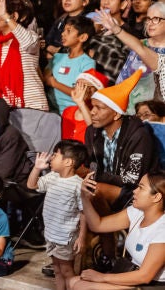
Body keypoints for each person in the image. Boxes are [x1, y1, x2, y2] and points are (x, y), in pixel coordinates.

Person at [71, 172, 165, 289]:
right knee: (73, 281)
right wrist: (83, 196)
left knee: (81, 286)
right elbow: (97, 225)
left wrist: (102, 277)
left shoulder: (162, 229)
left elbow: (144, 276)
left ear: (156, 197)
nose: (134, 191)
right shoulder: (137, 212)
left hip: (153, 285)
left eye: (141, 188)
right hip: (133, 273)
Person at [83, 69, 156, 216]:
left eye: (99, 108)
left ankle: (105, 237)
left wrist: (94, 175)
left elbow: (131, 179)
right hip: (108, 185)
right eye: (92, 106)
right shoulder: (92, 131)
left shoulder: (138, 135)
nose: (92, 112)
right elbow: (90, 166)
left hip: (135, 190)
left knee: (93, 191)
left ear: (116, 114)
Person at [28, 141, 89, 290]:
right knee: (57, 270)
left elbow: (84, 213)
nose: (51, 159)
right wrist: (37, 168)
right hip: (51, 235)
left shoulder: (77, 184)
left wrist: (82, 237)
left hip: (66, 238)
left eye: (55, 155)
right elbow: (31, 185)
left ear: (68, 162)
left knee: (67, 271)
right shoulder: (53, 176)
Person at [45, 16, 99, 112]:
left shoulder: (87, 63)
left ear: (83, 37)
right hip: (49, 109)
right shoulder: (57, 57)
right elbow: (45, 78)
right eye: (64, 30)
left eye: (68, 31)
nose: (63, 34)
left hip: (71, 112)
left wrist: (54, 83)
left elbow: (82, 94)